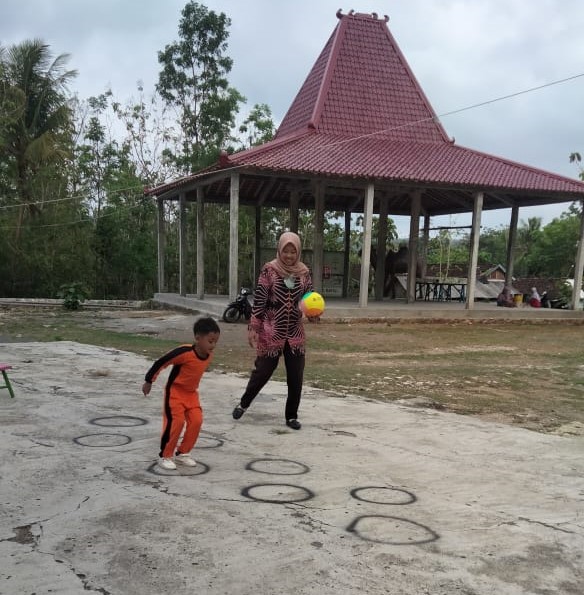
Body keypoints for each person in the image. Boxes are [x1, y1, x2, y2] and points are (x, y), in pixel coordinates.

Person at [232, 231, 317, 430]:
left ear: (298, 252)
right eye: (285, 251)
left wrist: (313, 312)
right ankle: (244, 404)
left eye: (292, 251)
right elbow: (260, 300)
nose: (289, 255)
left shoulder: (304, 273)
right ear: (279, 250)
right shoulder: (269, 270)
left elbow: (308, 298)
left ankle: (291, 417)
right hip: (271, 331)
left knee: (296, 376)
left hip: (295, 332)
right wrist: (254, 327)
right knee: (262, 372)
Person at [142, 317, 220, 470]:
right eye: (210, 341)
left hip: (191, 395)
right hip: (175, 393)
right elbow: (162, 362)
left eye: (216, 341)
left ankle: (183, 453)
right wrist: (149, 380)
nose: (213, 345)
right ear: (198, 338)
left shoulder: (209, 355)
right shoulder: (184, 352)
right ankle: (165, 455)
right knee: (176, 423)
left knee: (196, 421)